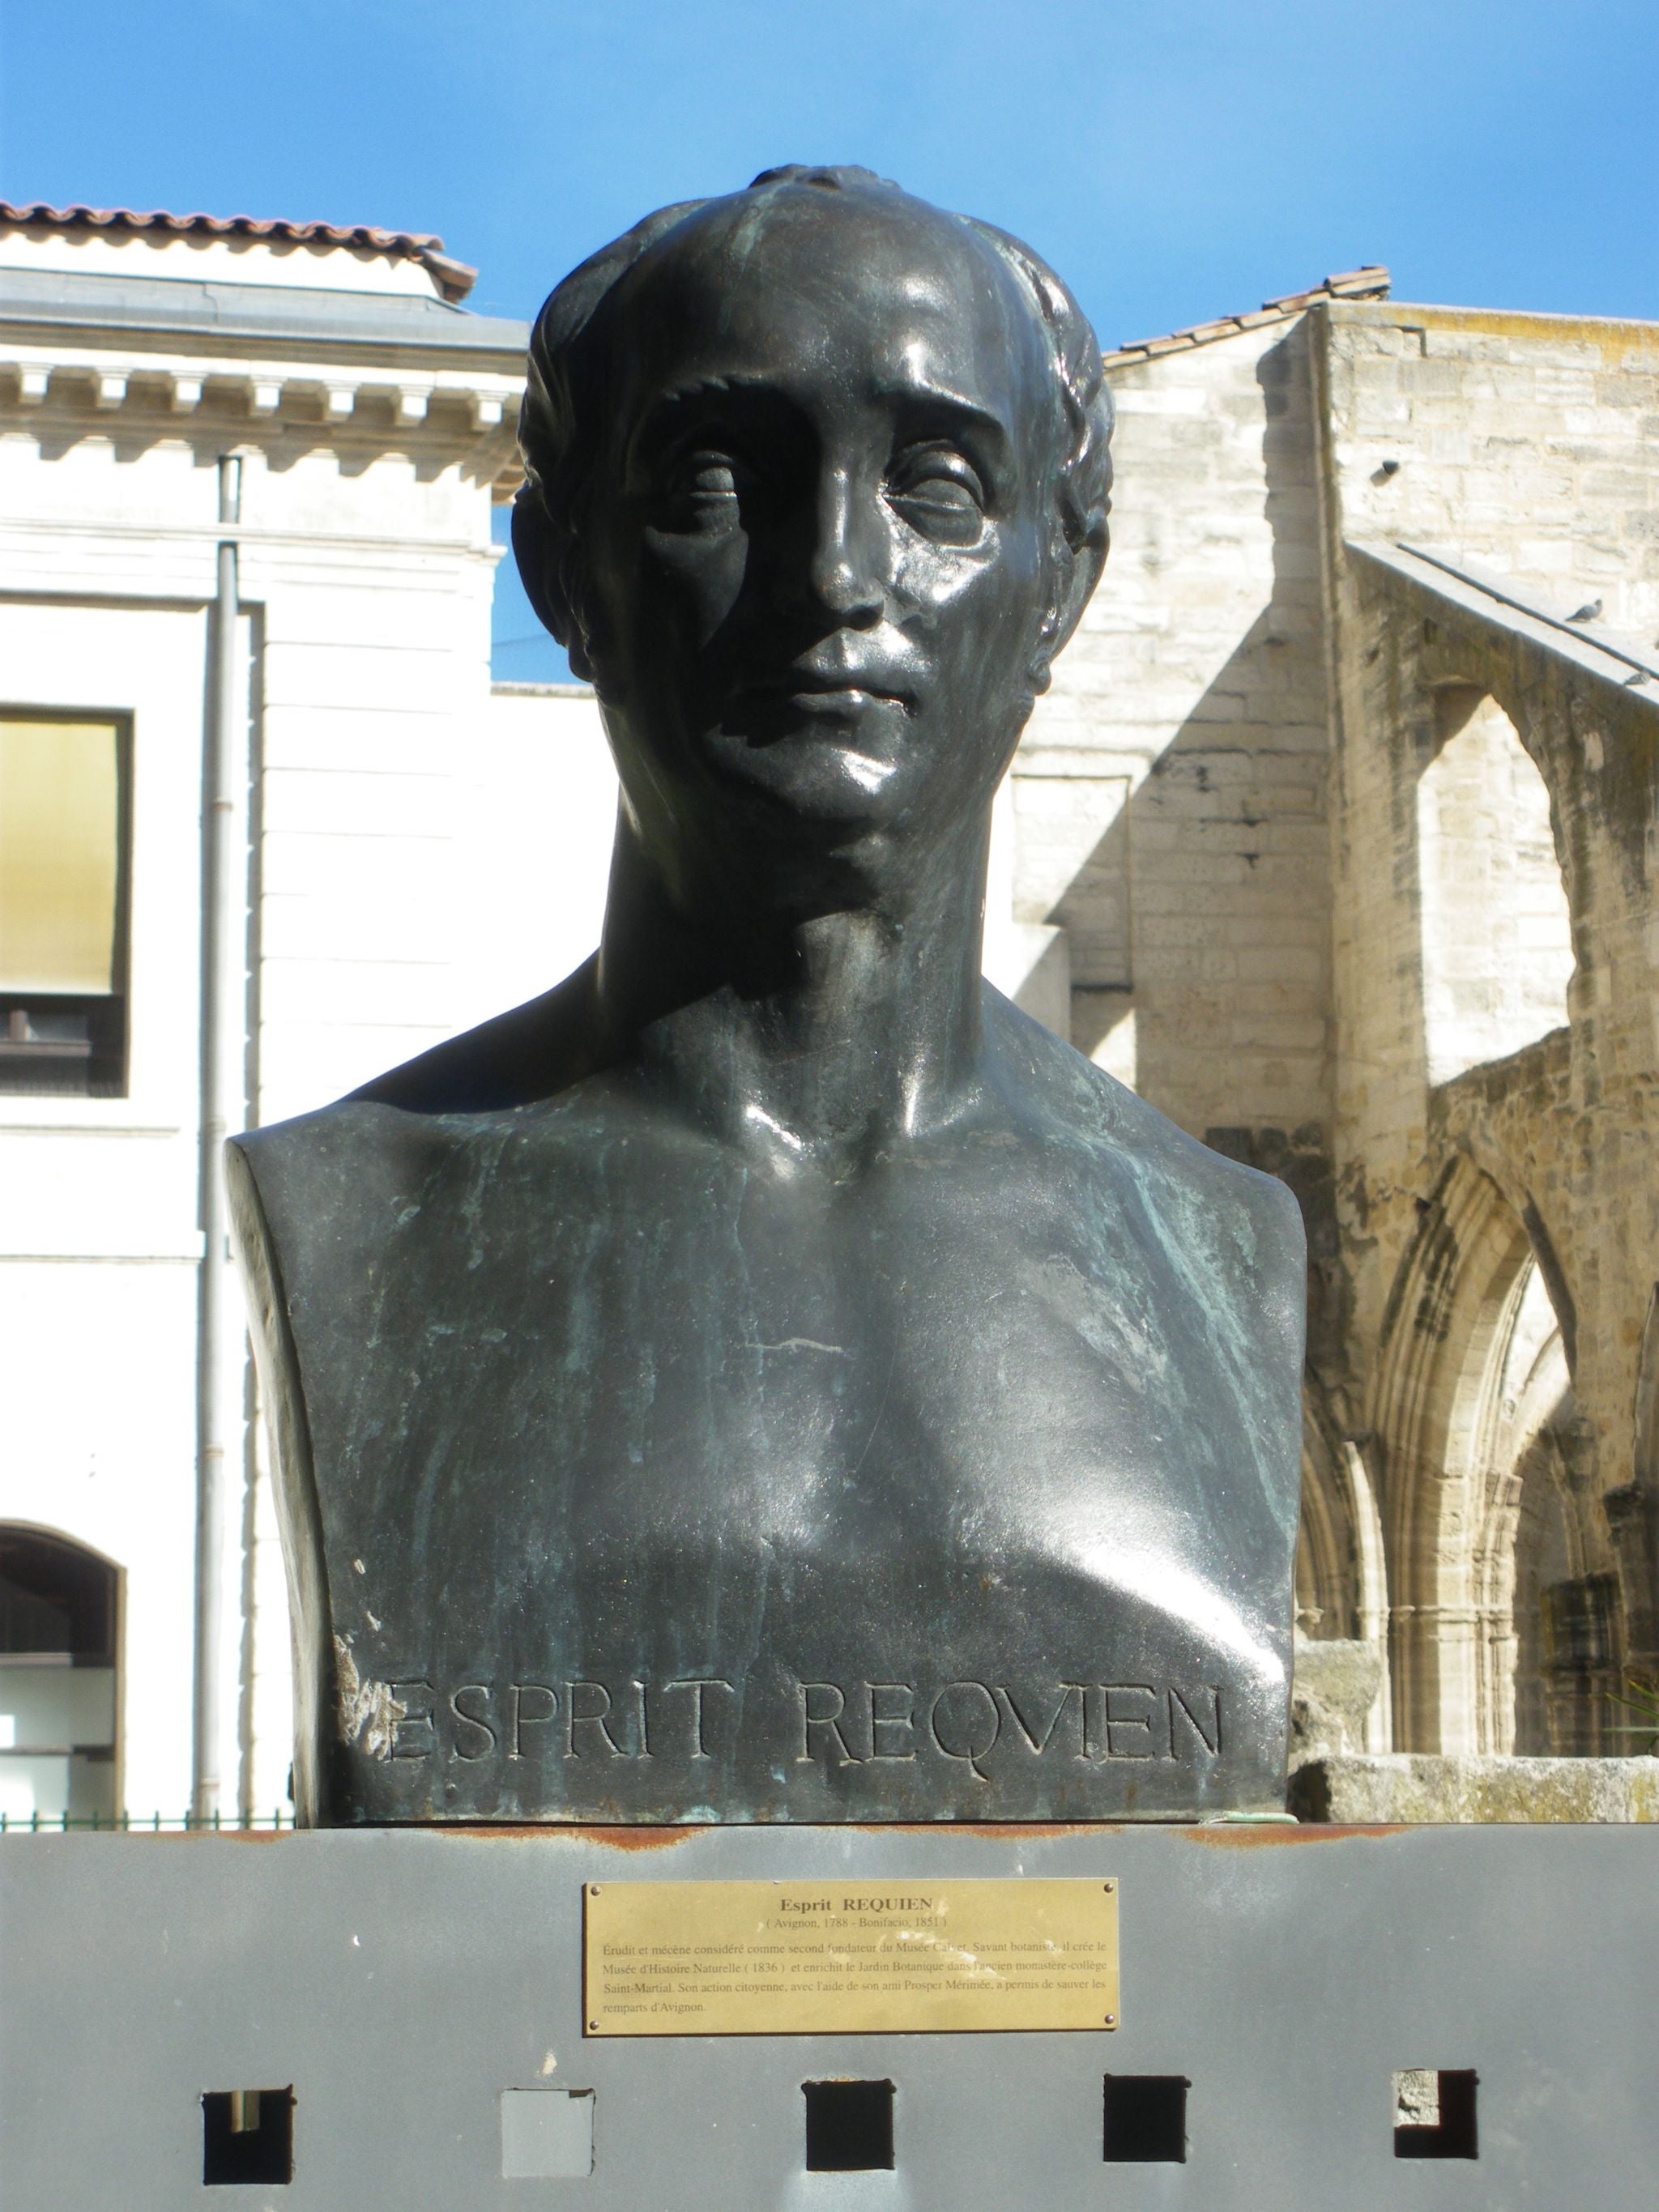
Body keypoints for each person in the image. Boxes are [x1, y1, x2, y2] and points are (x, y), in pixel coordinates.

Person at [229, 166, 1305, 1827]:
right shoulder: (361, 1211)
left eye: (938, 486)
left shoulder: (1215, 1247)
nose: (834, 575)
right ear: (562, 570)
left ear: (1058, 587)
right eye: (717, 477)